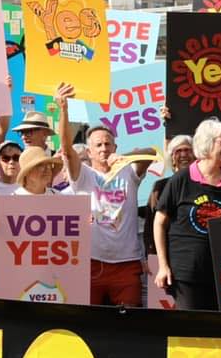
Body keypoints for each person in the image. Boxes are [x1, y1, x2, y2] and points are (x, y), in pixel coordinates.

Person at [62, 117, 156, 307]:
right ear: (89, 152)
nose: (104, 148)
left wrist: (125, 157)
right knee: (90, 323)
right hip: (91, 262)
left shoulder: (128, 172)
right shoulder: (84, 176)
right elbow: (66, 148)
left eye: (108, 144)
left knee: (128, 323)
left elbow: (152, 153)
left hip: (127, 264)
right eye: (98, 145)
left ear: (115, 147)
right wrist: (62, 108)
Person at [152, 119, 221, 310]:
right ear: (207, 144)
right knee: (191, 330)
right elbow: (159, 222)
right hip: (185, 273)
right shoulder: (181, 179)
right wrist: (163, 266)